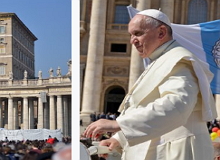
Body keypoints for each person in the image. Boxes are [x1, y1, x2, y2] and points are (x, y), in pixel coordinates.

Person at [83, 9, 217, 160]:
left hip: (175, 151)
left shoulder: (179, 61)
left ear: (161, 32)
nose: (132, 40)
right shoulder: (160, 60)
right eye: (131, 35)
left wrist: (117, 124)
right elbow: (143, 108)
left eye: (138, 33)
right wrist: (119, 139)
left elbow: (177, 105)